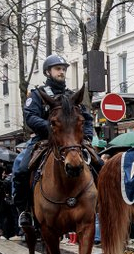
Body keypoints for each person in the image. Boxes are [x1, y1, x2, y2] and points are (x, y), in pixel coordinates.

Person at [12, 55, 94, 228]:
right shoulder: (36, 94)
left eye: (64, 69)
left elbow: (86, 118)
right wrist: (50, 127)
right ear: (48, 72)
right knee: (20, 169)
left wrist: (86, 137)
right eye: (58, 69)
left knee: (99, 163)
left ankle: (102, 203)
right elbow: (30, 116)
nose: (62, 72)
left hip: (71, 142)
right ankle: (24, 211)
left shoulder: (72, 96)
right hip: (43, 140)